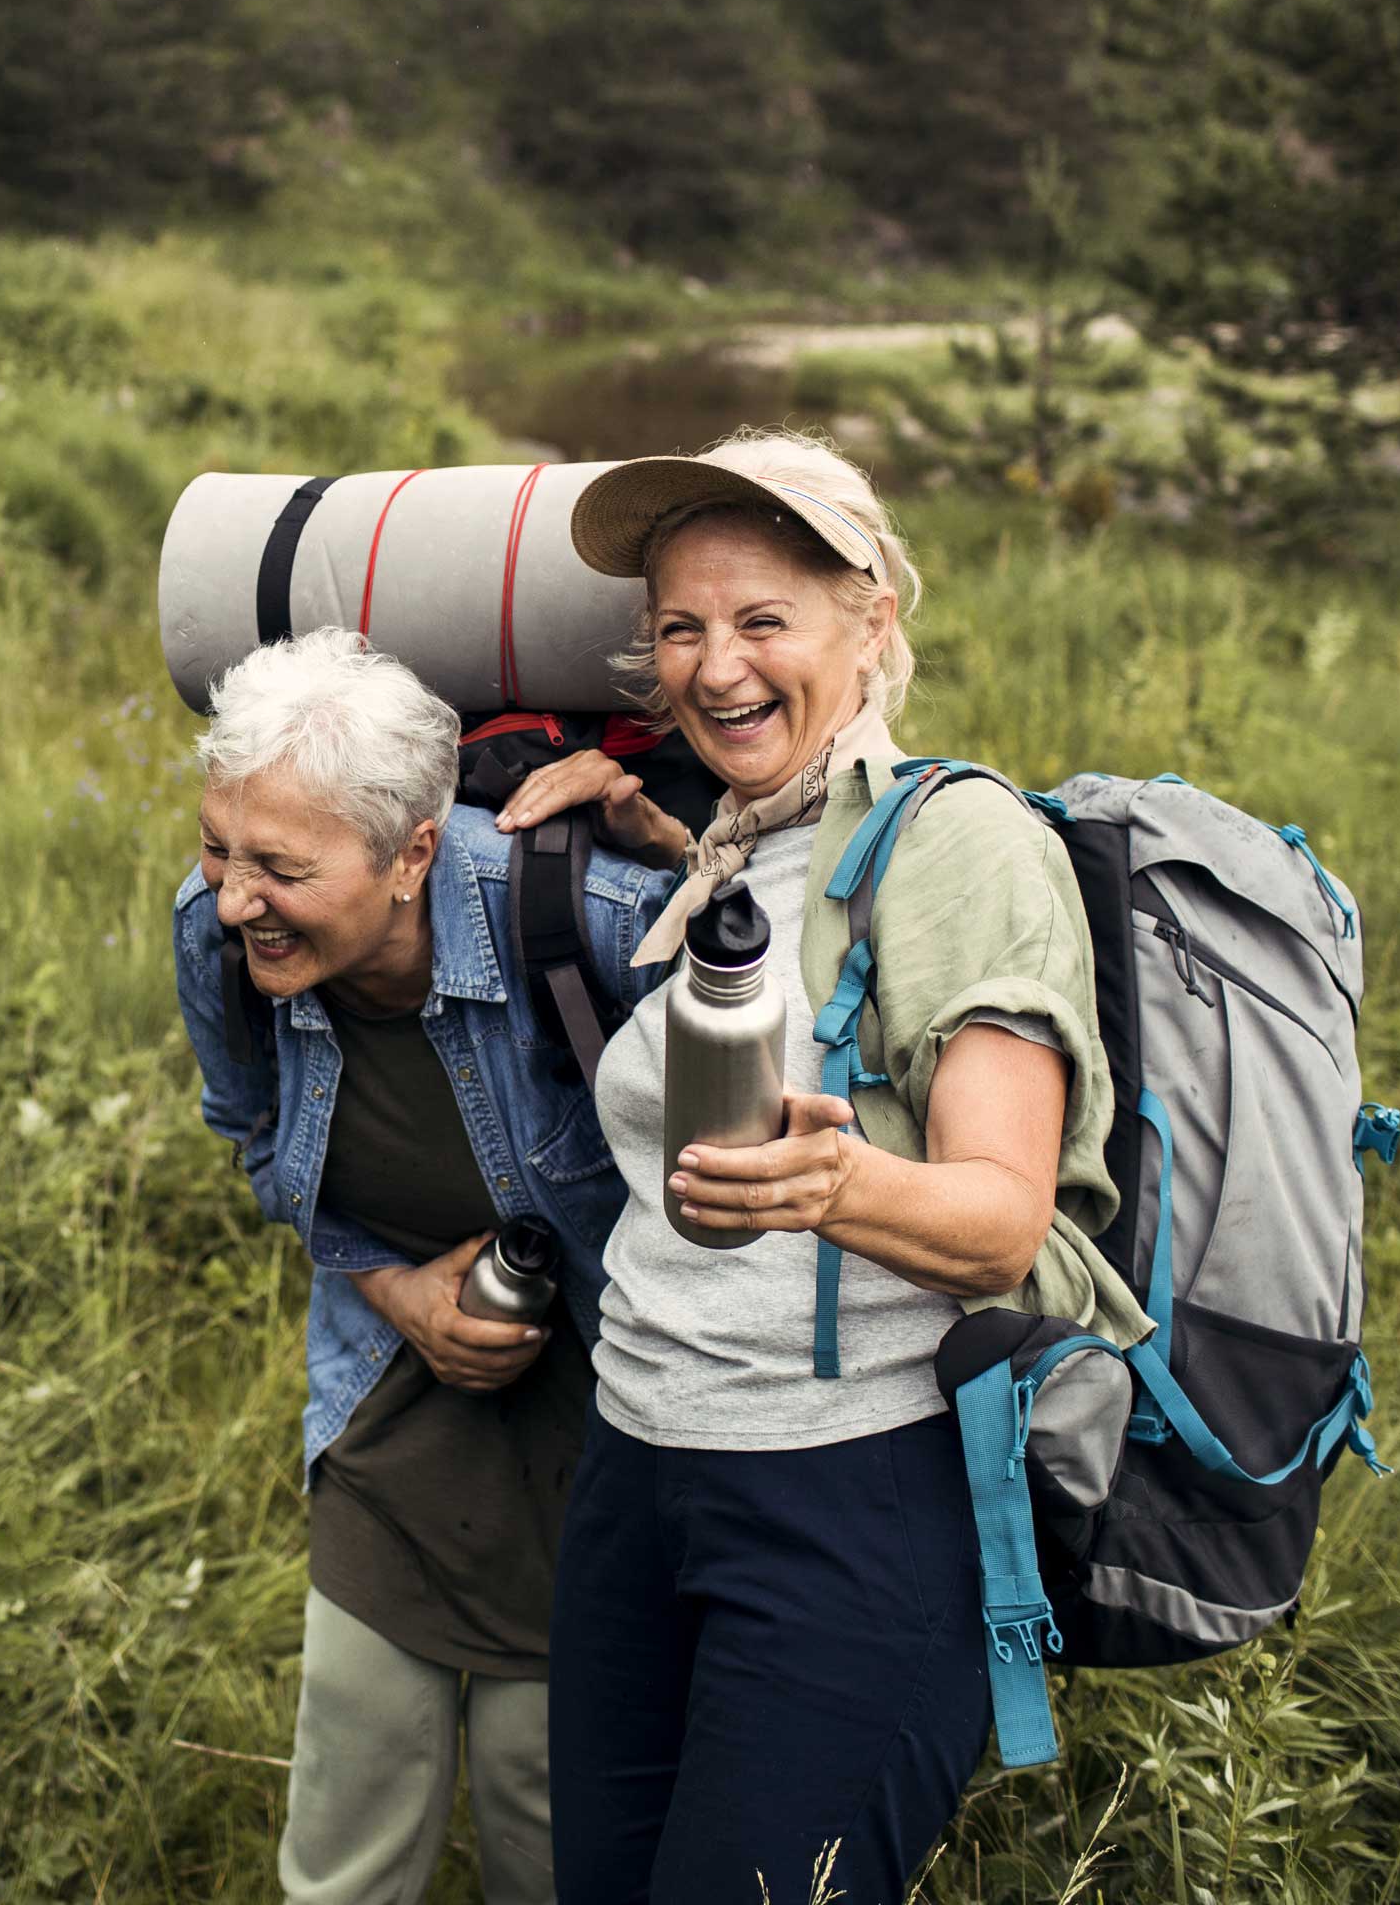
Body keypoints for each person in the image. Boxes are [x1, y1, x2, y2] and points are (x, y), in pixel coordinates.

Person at [502, 431, 1154, 1905]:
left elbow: (1001, 1223)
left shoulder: (962, 845)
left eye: (762, 620)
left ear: (872, 623)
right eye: (679, 627)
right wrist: (643, 826)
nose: (715, 667)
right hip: (638, 1480)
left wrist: (838, 1187)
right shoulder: (736, 852)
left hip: (850, 1503)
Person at [171, 627, 667, 1905]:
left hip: (612, 1413)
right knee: (348, 1804)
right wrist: (391, 1287)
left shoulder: (589, 920)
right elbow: (254, 1136)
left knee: (543, 1801)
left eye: (279, 866)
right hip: (393, 1394)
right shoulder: (220, 939)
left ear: (412, 855)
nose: (234, 898)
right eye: (220, 848)